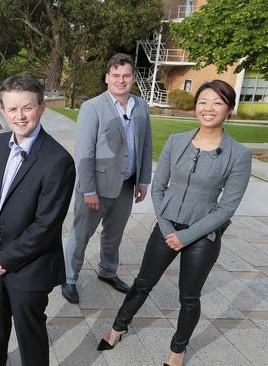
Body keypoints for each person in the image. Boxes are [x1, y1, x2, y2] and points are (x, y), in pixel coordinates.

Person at [98, 80, 252, 366]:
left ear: (229, 110)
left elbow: (227, 208)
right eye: (203, 101)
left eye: (218, 103)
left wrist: (187, 236)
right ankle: (118, 327)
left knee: (189, 298)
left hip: (202, 237)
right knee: (143, 283)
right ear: (196, 106)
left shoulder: (238, 155)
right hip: (166, 229)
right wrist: (169, 230)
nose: (209, 108)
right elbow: (158, 189)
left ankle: (177, 350)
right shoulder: (176, 141)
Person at [0, 74, 76, 366]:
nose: (20, 116)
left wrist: (3, 258)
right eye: (12, 109)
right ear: (3, 111)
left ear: (41, 108)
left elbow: (46, 226)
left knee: (29, 334)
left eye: (27, 107)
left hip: (30, 266)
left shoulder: (58, 161)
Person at [62, 53, 153, 304]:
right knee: (81, 234)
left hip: (126, 184)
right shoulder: (92, 107)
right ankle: (69, 277)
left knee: (114, 234)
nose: (120, 80)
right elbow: (84, 152)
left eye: (126, 75)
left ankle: (108, 271)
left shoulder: (141, 106)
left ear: (133, 78)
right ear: (107, 78)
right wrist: (88, 190)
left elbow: (146, 145)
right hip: (96, 187)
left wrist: (143, 180)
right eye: (115, 75)